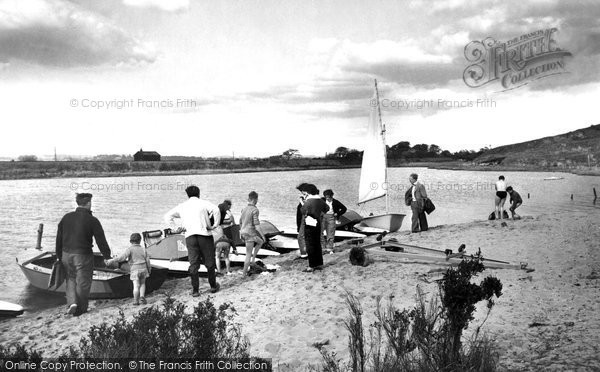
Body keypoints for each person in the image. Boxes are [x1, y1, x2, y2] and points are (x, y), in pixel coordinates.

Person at [56, 193, 112, 316]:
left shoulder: (66, 217)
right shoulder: (92, 220)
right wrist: (107, 256)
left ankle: (72, 303)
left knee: (70, 279)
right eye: (91, 202)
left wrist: (58, 256)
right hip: (83, 255)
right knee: (83, 282)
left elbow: (59, 238)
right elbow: (101, 241)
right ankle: (80, 309)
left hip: (66, 254)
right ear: (88, 203)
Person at [164, 185, 221, 296]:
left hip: (190, 236)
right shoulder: (203, 203)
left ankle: (195, 290)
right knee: (209, 262)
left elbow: (167, 216)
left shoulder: (182, 206)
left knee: (193, 263)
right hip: (204, 234)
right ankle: (213, 286)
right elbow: (216, 210)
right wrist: (214, 225)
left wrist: (175, 228)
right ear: (199, 193)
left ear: (187, 194)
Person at [106, 233, 151, 305]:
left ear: (130, 241)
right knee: (142, 283)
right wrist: (149, 269)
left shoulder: (129, 249)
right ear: (140, 240)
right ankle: (142, 296)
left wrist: (112, 260)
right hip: (143, 268)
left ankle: (136, 301)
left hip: (134, 270)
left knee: (136, 285)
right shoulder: (143, 249)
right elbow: (148, 261)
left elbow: (122, 258)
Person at [301, 184, 329, 271]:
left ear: (308, 192)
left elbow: (303, 211)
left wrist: (302, 202)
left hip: (309, 224)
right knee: (317, 244)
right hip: (318, 223)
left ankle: (311, 265)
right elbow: (327, 208)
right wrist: (321, 214)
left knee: (310, 245)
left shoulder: (308, 201)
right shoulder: (320, 200)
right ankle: (319, 264)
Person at [240, 191, 264, 276]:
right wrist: (263, 235)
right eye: (257, 199)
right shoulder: (255, 210)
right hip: (250, 234)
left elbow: (240, 222)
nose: (257, 201)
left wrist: (240, 232)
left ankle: (253, 261)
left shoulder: (243, 209)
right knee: (248, 254)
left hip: (243, 232)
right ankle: (243, 274)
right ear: (255, 199)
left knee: (260, 241)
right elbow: (257, 226)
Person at [214, 200, 237, 275]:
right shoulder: (225, 206)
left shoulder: (219, 207)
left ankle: (219, 271)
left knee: (217, 257)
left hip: (217, 237)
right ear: (229, 205)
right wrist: (234, 224)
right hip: (226, 243)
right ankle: (228, 271)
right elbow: (230, 215)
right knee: (226, 257)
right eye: (230, 206)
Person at [295, 183, 310, 259]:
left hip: (307, 220)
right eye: (301, 191)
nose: (302, 192)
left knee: (301, 237)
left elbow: (307, 210)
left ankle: (304, 254)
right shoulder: (305, 198)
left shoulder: (309, 198)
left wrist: (301, 202)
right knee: (303, 237)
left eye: (303, 191)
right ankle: (305, 253)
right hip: (303, 220)